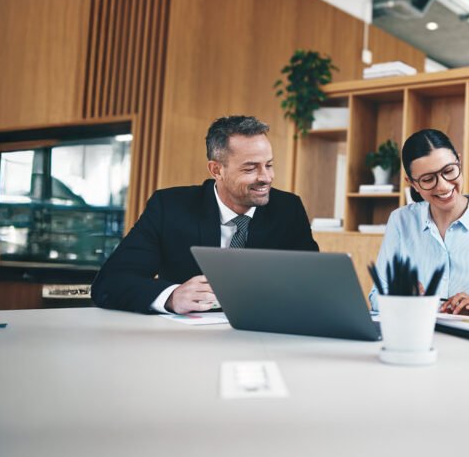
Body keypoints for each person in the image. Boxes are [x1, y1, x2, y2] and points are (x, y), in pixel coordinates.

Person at [91, 115, 319, 314]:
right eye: (250, 168)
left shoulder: (288, 209)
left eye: (268, 165)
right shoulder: (170, 207)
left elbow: (313, 285)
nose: (266, 177)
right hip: (185, 342)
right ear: (216, 170)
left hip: (262, 335)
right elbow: (110, 283)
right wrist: (172, 297)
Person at [369, 129, 469, 317]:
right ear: (412, 183)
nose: (443, 186)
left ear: (459, 161)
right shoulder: (401, 221)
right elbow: (376, 296)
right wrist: (400, 298)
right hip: (413, 332)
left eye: (448, 171)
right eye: (428, 179)